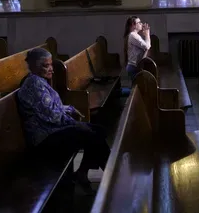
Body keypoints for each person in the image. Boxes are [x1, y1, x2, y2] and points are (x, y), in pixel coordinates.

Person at [17, 48, 110, 194]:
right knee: (91, 134)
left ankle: (86, 172)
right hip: (44, 138)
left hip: (52, 130)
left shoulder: (39, 81)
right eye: (45, 65)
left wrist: (71, 109)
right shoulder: (34, 84)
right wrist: (74, 122)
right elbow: (53, 117)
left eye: (50, 64)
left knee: (98, 130)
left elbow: (53, 107)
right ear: (34, 66)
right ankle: (111, 175)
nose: (51, 69)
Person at [123, 16, 151, 81]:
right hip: (134, 67)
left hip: (135, 66)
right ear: (133, 25)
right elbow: (147, 46)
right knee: (137, 88)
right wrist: (147, 35)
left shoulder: (135, 35)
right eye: (139, 22)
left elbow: (147, 47)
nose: (141, 24)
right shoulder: (133, 35)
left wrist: (146, 35)